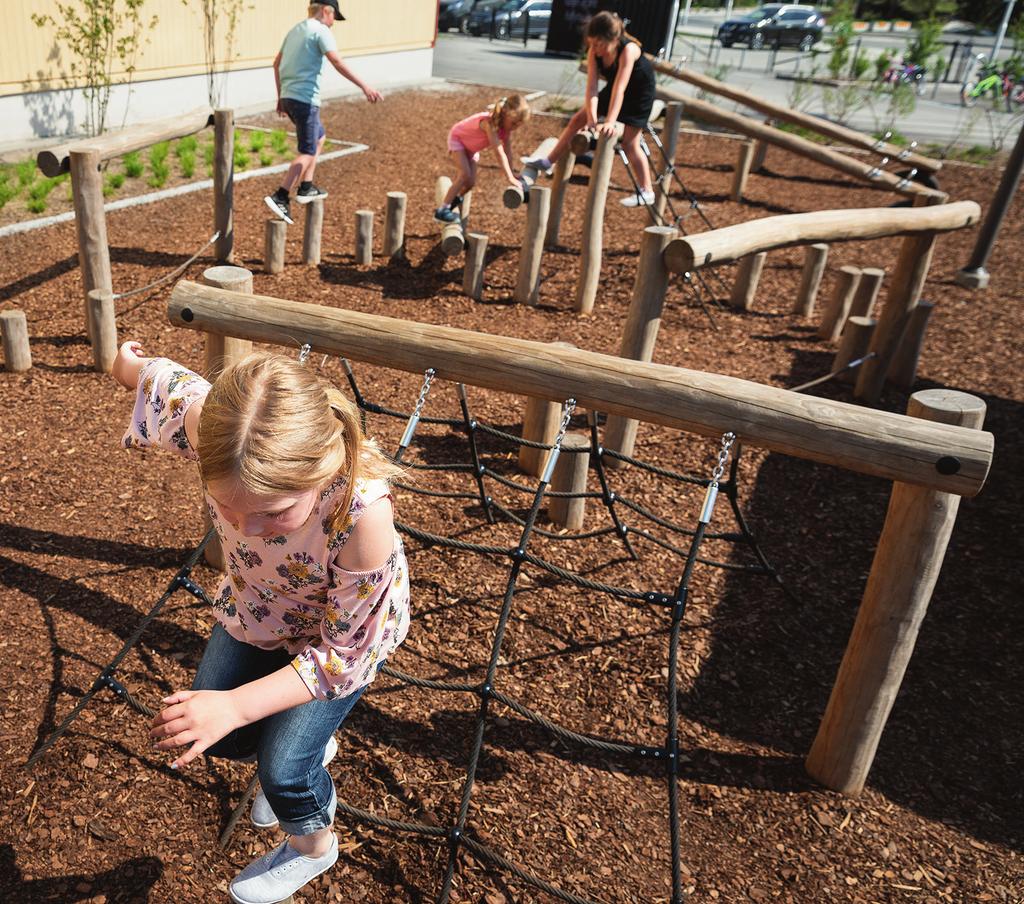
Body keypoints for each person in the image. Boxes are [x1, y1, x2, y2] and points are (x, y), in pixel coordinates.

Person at [112, 341, 410, 904]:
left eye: (274, 513)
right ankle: (309, 745)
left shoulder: (363, 515)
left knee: (284, 768)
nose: (247, 529)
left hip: (338, 638)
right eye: (228, 507)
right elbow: (161, 378)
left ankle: (313, 849)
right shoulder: (215, 428)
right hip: (260, 607)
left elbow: (340, 659)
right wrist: (125, 363)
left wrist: (236, 704)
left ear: (321, 473)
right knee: (225, 739)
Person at [264, 0, 383, 225]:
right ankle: (281, 195)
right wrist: (365, 86)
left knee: (319, 137)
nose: (333, 23)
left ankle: (306, 187)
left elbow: (276, 63)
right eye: (333, 17)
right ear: (325, 10)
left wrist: (281, 97)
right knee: (307, 150)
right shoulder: (320, 30)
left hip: (290, 97)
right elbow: (336, 62)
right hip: (305, 100)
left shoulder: (295, 30)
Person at [525, 11, 656, 207]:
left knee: (630, 143)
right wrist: (592, 119)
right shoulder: (594, 53)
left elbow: (620, 90)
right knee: (577, 120)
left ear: (613, 39)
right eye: (592, 43)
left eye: (599, 44)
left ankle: (647, 190)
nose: (595, 48)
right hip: (616, 88)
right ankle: (548, 161)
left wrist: (610, 121)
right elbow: (592, 89)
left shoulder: (628, 50)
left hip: (639, 92)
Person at [434, 94, 531, 223]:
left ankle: (452, 203)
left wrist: (512, 171)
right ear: (505, 113)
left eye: (518, 126)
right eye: (513, 124)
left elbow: (507, 149)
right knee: (464, 174)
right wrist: (509, 178)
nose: (514, 128)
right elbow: (498, 151)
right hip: (458, 140)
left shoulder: (506, 129)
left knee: (470, 183)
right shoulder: (488, 123)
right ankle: (442, 210)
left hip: (471, 148)